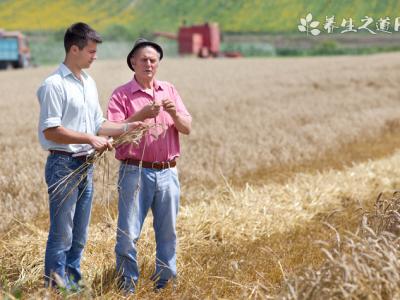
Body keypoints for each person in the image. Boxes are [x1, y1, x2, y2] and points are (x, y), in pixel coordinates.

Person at [37, 22, 142, 291]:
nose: (95, 56)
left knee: (80, 236)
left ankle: (72, 286)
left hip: (86, 166)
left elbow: (98, 124)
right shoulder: (54, 84)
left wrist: (128, 127)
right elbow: (53, 130)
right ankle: (55, 289)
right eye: (91, 51)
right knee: (62, 235)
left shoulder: (88, 82)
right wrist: (90, 139)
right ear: (74, 49)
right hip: (64, 164)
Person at [107, 38, 192, 293]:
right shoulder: (121, 94)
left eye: (153, 60)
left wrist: (174, 113)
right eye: (143, 59)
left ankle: (165, 285)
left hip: (167, 172)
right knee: (127, 235)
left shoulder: (169, 90)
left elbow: (187, 128)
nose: (148, 64)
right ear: (132, 62)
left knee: (167, 234)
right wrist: (139, 116)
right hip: (135, 171)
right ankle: (127, 287)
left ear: (158, 64)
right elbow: (113, 134)